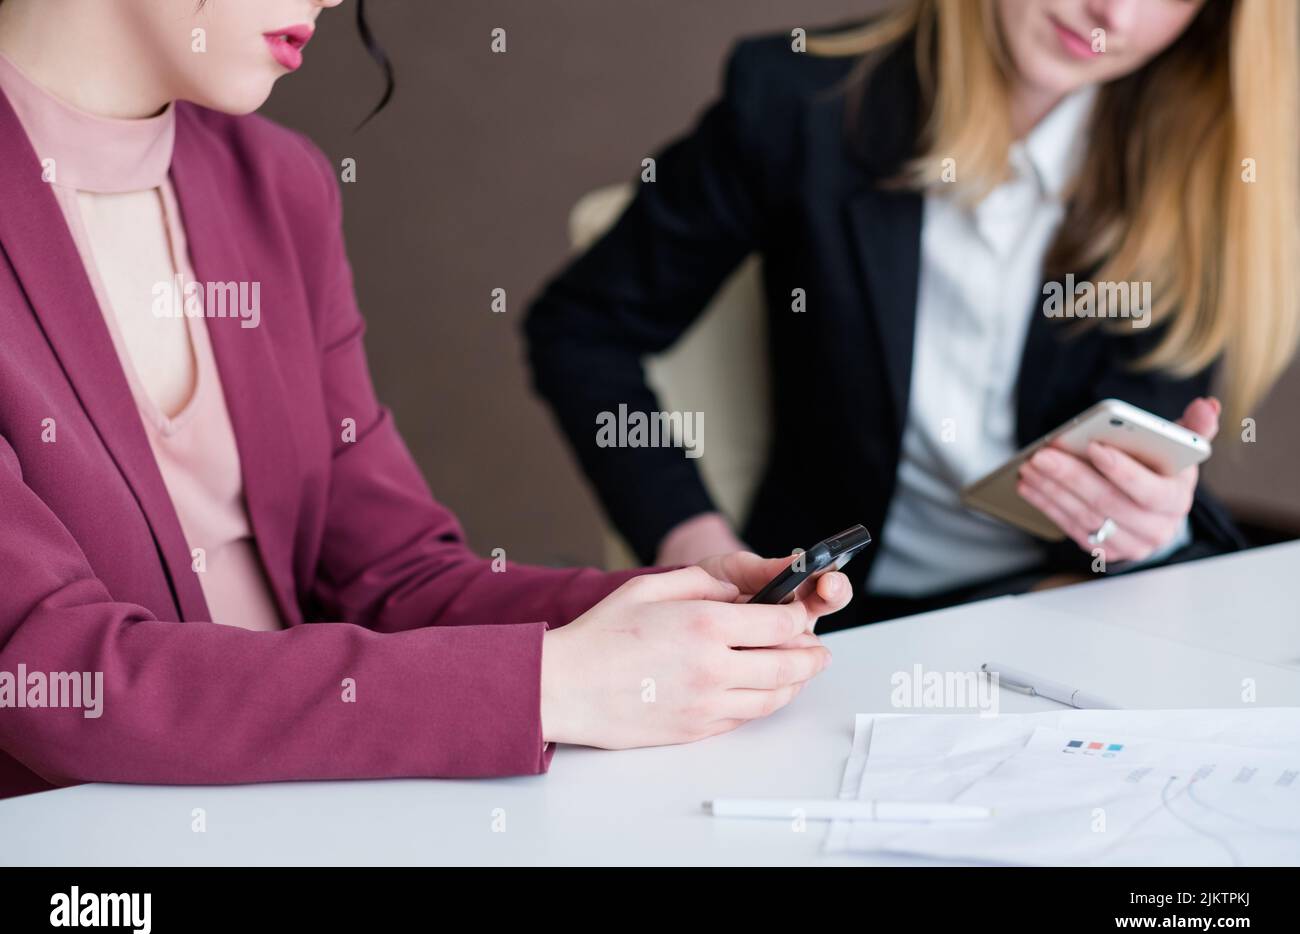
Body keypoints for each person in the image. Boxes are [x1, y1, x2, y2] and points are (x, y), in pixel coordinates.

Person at [0, 0, 852, 800]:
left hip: (306, 812)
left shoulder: (276, 184)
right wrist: (548, 686)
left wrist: (663, 615)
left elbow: (393, 577)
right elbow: (44, 667)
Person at [525, 0, 1300, 629]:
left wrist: (1149, 531)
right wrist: (695, 543)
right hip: (844, 622)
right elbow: (582, 330)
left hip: (1069, 604)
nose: (1114, 12)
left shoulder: (1199, 174)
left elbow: (1146, 476)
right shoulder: (798, 101)